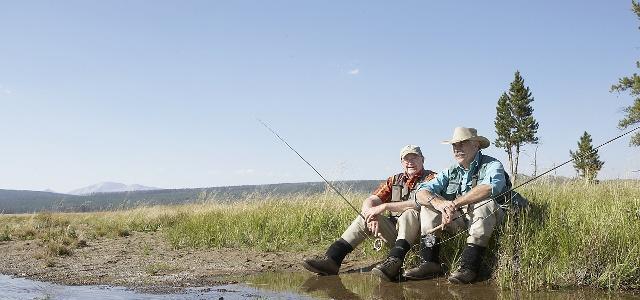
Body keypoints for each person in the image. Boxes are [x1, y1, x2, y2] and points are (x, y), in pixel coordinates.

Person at [302, 145, 437, 281]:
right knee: (364, 216)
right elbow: (371, 199)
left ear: (422, 160)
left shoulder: (432, 178)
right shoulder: (394, 180)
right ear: (402, 162)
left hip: (421, 238)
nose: (410, 162)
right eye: (406, 159)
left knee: (410, 213)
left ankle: (395, 262)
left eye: (414, 158)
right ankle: (332, 259)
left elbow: (419, 203)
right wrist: (370, 215)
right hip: (395, 233)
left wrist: (384, 207)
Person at [406, 127, 508, 284]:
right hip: (461, 220)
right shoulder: (450, 171)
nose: (457, 148)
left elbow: (490, 187)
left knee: (483, 203)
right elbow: (421, 192)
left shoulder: (492, 164)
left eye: (462, 143)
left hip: (493, 220)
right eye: (454, 145)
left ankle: (469, 267)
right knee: (428, 206)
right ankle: (429, 261)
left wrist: (454, 203)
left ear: (476, 145)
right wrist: (439, 203)